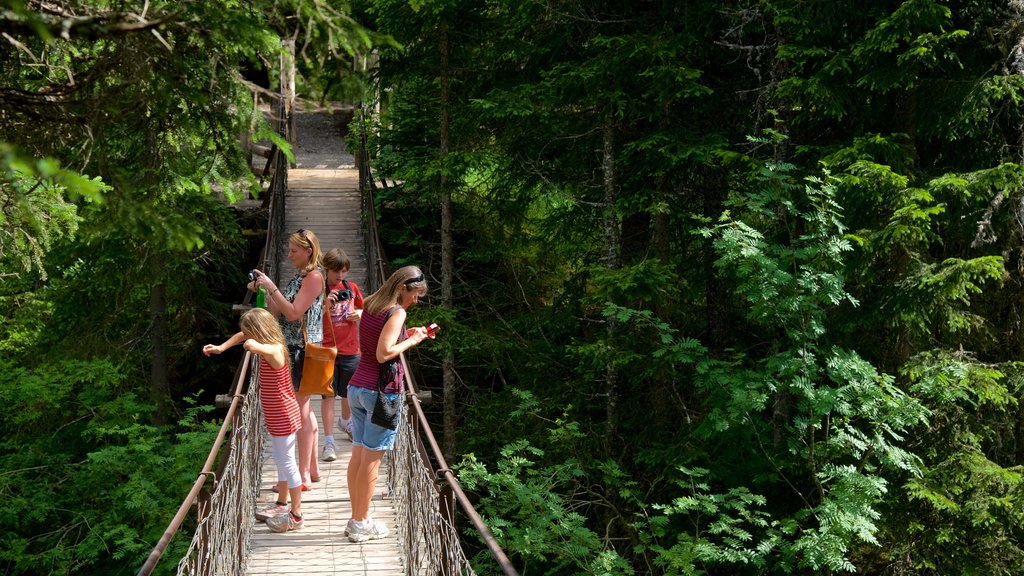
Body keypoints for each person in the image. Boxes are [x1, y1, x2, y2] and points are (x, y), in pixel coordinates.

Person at [344, 266, 431, 543]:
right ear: (403, 287)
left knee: (358, 456)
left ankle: (358, 518)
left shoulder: (370, 303)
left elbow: (374, 342)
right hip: (381, 394)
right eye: (415, 295)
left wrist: (404, 335)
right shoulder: (397, 311)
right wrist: (413, 340)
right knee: (372, 460)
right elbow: (383, 354)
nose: (415, 301)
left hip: (356, 387)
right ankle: (360, 523)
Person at [203, 308, 304, 533]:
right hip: (277, 413)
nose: (246, 337)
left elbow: (252, 344)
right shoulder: (269, 341)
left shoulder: (274, 349)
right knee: (280, 458)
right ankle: (282, 502)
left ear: (258, 333)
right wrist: (222, 347)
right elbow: (244, 338)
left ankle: (296, 515)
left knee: (287, 462)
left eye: (250, 332)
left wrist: (251, 343)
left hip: (283, 414)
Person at [250, 229, 324, 488]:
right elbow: (276, 312)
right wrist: (266, 292)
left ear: (308, 251)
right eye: (289, 250)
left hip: (305, 350)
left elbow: (293, 313)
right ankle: (311, 468)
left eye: (294, 251)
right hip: (292, 349)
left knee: (300, 411)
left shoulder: (314, 277)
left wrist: (272, 286)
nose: (289, 255)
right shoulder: (299, 277)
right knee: (305, 410)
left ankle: (302, 474)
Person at [320, 248, 364, 462]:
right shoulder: (319, 289)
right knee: (328, 396)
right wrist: (326, 302)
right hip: (326, 351)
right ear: (326, 269)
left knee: (349, 393)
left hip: (351, 349)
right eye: (336, 271)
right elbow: (307, 317)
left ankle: (346, 422)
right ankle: (328, 442)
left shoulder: (352, 288)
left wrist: (360, 313)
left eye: (344, 271)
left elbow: (367, 310)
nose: (340, 276)